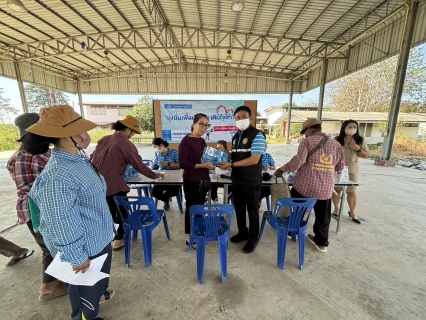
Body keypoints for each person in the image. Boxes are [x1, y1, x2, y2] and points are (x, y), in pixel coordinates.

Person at [28, 105, 115, 320]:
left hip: (97, 238)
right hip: (83, 249)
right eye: (81, 130)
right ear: (68, 135)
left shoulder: (78, 159)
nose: (86, 134)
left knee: (95, 289)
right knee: (84, 299)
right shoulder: (58, 173)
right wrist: (76, 256)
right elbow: (59, 219)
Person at [7, 113, 67, 301]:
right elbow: (35, 188)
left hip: (39, 209)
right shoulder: (31, 157)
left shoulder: (29, 154)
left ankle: (56, 282)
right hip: (38, 210)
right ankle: (47, 287)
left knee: (52, 246)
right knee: (50, 248)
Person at [91, 115, 163, 251]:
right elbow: (139, 165)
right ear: (129, 130)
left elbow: (92, 158)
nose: (133, 135)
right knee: (120, 211)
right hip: (113, 184)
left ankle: (112, 235)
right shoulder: (125, 143)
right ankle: (119, 238)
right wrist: (155, 176)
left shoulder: (104, 139)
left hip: (95, 183)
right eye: (133, 132)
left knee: (108, 211)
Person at [274, 118, 345, 253]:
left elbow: (298, 161)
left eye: (305, 132)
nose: (305, 135)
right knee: (323, 217)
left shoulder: (307, 142)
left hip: (305, 188)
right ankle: (322, 242)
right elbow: (340, 166)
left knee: (297, 210)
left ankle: (292, 232)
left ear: (310, 130)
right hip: (325, 189)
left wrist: (282, 170)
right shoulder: (336, 144)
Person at [220, 106, 266, 254]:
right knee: (239, 209)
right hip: (237, 180)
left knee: (252, 211)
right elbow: (235, 156)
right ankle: (242, 232)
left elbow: (254, 159)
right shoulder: (236, 136)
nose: (240, 119)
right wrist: (221, 155)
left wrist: (231, 164)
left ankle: (253, 238)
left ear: (250, 118)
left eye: (243, 116)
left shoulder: (257, 135)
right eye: (238, 117)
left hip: (251, 181)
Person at [179, 113, 215, 247]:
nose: (204, 127)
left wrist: (214, 159)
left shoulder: (202, 141)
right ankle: (190, 237)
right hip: (191, 181)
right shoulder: (185, 141)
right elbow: (183, 164)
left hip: (202, 179)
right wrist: (202, 165)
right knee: (191, 208)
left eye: (206, 125)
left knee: (200, 207)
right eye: (201, 124)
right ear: (193, 125)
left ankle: (198, 231)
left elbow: (204, 159)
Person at [332, 120, 369, 224]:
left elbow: (366, 154)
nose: (353, 129)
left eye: (355, 127)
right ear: (344, 128)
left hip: (352, 169)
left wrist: (358, 149)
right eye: (350, 127)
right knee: (336, 190)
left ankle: (353, 213)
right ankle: (336, 209)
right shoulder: (337, 140)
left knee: (352, 192)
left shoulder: (360, 140)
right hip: (338, 169)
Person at [151, 138, 181, 211]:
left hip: (175, 178)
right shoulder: (158, 155)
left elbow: (180, 166)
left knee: (172, 192)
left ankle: (165, 199)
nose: (155, 149)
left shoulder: (175, 153)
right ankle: (165, 200)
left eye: (155, 147)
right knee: (154, 193)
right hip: (163, 178)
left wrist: (168, 164)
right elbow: (154, 167)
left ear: (161, 146)